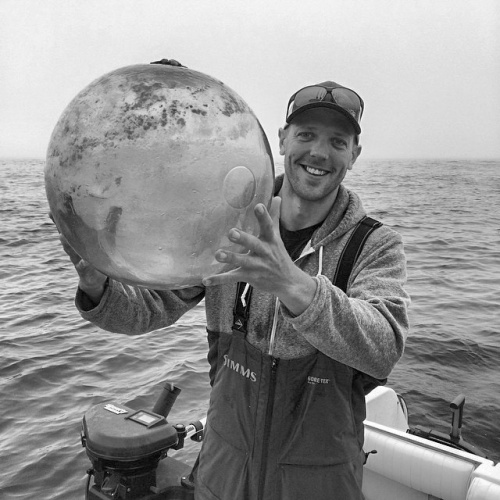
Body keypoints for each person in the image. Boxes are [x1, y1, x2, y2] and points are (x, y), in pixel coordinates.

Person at [61, 81, 410, 499]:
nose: (319, 152)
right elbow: (151, 308)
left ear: (354, 153)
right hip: (222, 473)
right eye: (306, 135)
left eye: (338, 141)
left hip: (320, 483)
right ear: (281, 140)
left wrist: (293, 285)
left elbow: (384, 345)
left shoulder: (373, 244)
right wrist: (100, 289)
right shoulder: (229, 228)